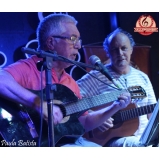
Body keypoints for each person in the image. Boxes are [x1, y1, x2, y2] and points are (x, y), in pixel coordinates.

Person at [0, 14, 131, 147]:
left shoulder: (70, 83)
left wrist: (115, 107)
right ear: (51, 42)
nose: (79, 45)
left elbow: (84, 123)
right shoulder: (28, 67)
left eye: (79, 39)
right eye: (73, 39)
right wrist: (39, 104)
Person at [77, 28, 157, 147]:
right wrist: (96, 117)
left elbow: (152, 113)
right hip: (114, 139)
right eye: (114, 50)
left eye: (124, 48)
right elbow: (71, 99)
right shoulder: (96, 77)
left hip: (144, 137)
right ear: (108, 53)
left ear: (131, 50)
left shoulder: (142, 77)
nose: (120, 53)